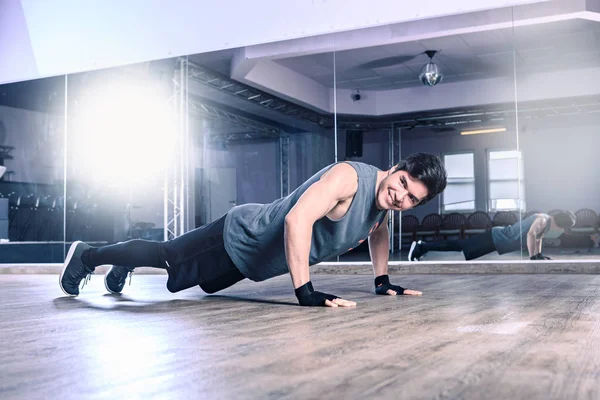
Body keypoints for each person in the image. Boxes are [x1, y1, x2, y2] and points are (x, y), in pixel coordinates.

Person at [60, 153, 447, 307]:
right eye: (402, 184)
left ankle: (123, 263)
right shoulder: (351, 179)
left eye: (412, 199)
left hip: (253, 261)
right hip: (241, 235)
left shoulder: (383, 207)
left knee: (201, 285)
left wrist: (382, 279)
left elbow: (378, 230)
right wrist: (305, 292)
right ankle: (87, 255)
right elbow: (298, 219)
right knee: (169, 257)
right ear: (396, 169)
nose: (400, 198)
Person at [408, 210, 576, 262]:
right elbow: (531, 235)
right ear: (561, 223)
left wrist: (539, 255)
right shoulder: (542, 219)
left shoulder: (546, 225)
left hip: (498, 242)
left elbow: (538, 239)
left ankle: (424, 247)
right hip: (496, 237)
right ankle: (423, 246)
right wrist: (533, 257)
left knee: (464, 250)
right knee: (461, 245)